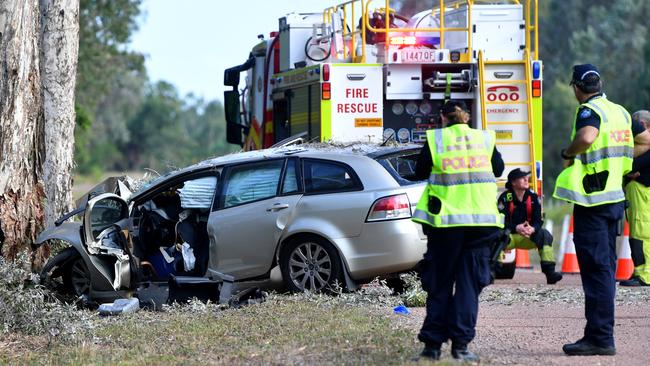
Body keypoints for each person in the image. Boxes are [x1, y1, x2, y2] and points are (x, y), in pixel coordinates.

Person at [553, 64, 650, 356]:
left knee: (597, 271)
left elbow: (586, 137)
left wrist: (568, 153)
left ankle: (600, 338)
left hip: (593, 203)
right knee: (604, 269)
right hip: (614, 201)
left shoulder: (589, 111)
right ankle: (597, 334)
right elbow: (644, 138)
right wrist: (628, 163)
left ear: (576, 88)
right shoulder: (620, 111)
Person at [412, 100, 504, 362]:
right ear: (467, 117)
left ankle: (432, 347)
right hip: (482, 227)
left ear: (443, 117)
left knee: (440, 284)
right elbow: (498, 169)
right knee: (468, 287)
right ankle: (461, 347)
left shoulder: (436, 140)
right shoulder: (483, 139)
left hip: (446, 226)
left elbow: (420, 171)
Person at [497, 168, 562, 284]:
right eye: (522, 178)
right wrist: (516, 227)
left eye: (526, 177)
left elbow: (539, 220)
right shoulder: (504, 198)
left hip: (528, 236)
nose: (527, 179)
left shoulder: (533, 197)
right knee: (496, 235)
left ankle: (550, 273)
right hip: (509, 237)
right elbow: (501, 221)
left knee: (545, 235)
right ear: (513, 182)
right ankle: (493, 271)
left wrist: (533, 229)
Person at [620, 110, 650, 286]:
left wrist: (630, 169)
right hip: (636, 191)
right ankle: (638, 271)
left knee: (642, 233)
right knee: (636, 233)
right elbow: (628, 168)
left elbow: (631, 165)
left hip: (643, 192)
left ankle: (645, 275)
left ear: (644, 126)